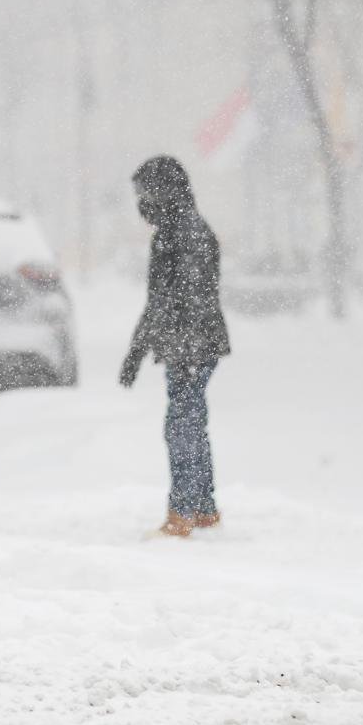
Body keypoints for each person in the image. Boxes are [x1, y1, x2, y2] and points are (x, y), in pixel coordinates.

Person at [120, 156, 231, 538]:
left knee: (181, 425)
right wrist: (140, 349)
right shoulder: (180, 230)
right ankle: (202, 509)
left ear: (164, 192)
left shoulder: (183, 234)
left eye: (145, 193)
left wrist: (143, 351)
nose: (141, 203)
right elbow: (162, 300)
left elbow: (174, 300)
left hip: (191, 347)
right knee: (190, 422)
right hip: (189, 344)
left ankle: (183, 513)